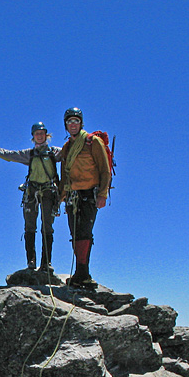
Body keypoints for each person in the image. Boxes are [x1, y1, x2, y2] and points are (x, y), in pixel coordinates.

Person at [0, 122, 61, 271]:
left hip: (49, 193)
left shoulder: (54, 152)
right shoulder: (29, 154)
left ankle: (46, 263)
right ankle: (31, 261)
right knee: (30, 227)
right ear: (33, 137)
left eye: (42, 133)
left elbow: (71, 152)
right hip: (32, 193)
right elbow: (10, 155)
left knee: (47, 227)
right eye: (37, 134)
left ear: (46, 135)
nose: (39, 136)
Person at [58, 107, 111, 289]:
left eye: (76, 121)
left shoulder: (92, 142)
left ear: (81, 123)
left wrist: (103, 194)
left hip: (89, 194)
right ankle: (81, 272)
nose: (73, 124)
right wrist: (60, 197)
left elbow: (105, 170)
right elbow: (64, 174)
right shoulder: (67, 147)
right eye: (69, 121)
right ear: (66, 125)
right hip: (72, 195)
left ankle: (84, 273)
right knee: (75, 233)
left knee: (84, 232)